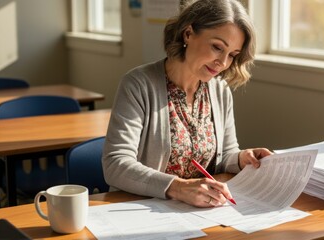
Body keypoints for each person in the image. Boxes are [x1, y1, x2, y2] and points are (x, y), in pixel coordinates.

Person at [102, 0, 272, 208]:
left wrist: (241, 158)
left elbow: (224, 154)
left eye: (232, 55)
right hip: (143, 209)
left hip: (199, 212)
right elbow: (115, 165)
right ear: (188, 34)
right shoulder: (138, 85)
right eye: (217, 47)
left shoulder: (220, 91)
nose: (223, 63)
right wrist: (179, 188)